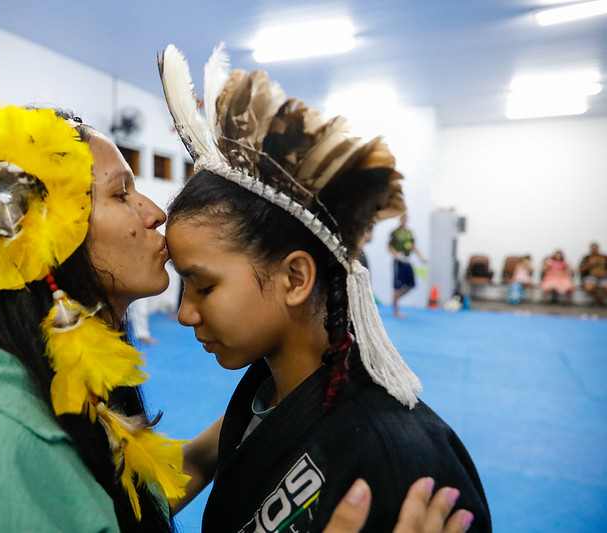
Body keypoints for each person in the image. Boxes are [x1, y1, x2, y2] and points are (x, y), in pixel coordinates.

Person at [0, 102, 467, 533]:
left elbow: (113, 498)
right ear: (55, 237)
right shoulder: (0, 454)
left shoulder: (48, 378)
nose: (153, 212)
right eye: (120, 192)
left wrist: (254, 428)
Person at [159, 44, 489, 532]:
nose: (184, 313)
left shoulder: (401, 462)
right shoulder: (264, 397)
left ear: (295, 279)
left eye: (202, 286)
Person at [389, 214, 428, 318]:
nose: (404, 221)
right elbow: (390, 247)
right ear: (400, 220)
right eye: (403, 219)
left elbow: (413, 246)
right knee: (397, 286)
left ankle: (395, 300)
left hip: (407, 260)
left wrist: (421, 257)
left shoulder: (409, 233)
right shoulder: (395, 233)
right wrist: (396, 254)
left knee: (411, 284)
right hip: (398, 261)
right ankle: (396, 310)